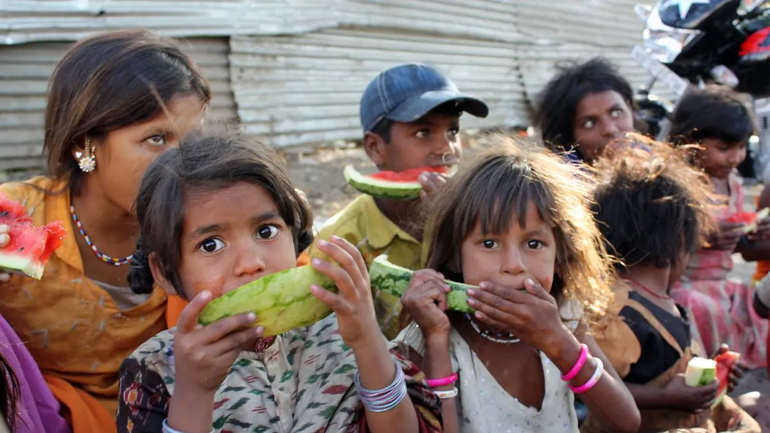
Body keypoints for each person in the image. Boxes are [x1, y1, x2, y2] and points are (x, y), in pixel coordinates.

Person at [117, 132, 442, 433]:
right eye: (211, 244)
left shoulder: (343, 334)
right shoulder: (153, 370)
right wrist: (194, 392)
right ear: (164, 272)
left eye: (266, 231)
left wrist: (368, 342)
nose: (251, 263)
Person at [0, 30, 211, 431]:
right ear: (86, 145)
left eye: (194, 140)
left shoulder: (206, 221)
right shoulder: (14, 219)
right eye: (156, 138)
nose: (186, 165)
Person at [395, 135, 641, 433]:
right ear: (454, 256)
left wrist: (558, 342)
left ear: (560, 254)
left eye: (534, 243)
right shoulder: (429, 336)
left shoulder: (564, 316)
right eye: (489, 242)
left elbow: (626, 421)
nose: (514, 264)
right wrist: (436, 341)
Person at [586, 135, 760, 432]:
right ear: (681, 237)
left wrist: (711, 371)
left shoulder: (663, 300)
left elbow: (668, 369)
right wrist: (663, 398)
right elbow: (592, 388)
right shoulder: (616, 312)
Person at [308, 63, 489, 339]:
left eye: (452, 131)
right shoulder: (340, 243)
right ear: (375, 148)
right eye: (423, 133)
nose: (446, 149)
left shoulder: (480, 216)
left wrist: (456, 221)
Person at [667, 86, 769, 369]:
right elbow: (659, 243)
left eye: (740, 147)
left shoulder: (733, 183)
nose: (734, 158)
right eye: (723, 149)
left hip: (721, 283)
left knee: (753, 307)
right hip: (684, 283)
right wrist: (698, 236)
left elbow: (739, 245)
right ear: (690, 141)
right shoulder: (679, 185)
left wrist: (751, 233)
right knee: (701, 308)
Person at [535, 57, 637, 164]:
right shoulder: (563, 178)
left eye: (616, 112)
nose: (609, 129)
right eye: (589, 124)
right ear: (569, 138)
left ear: (629, 107)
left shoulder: (652, 163)